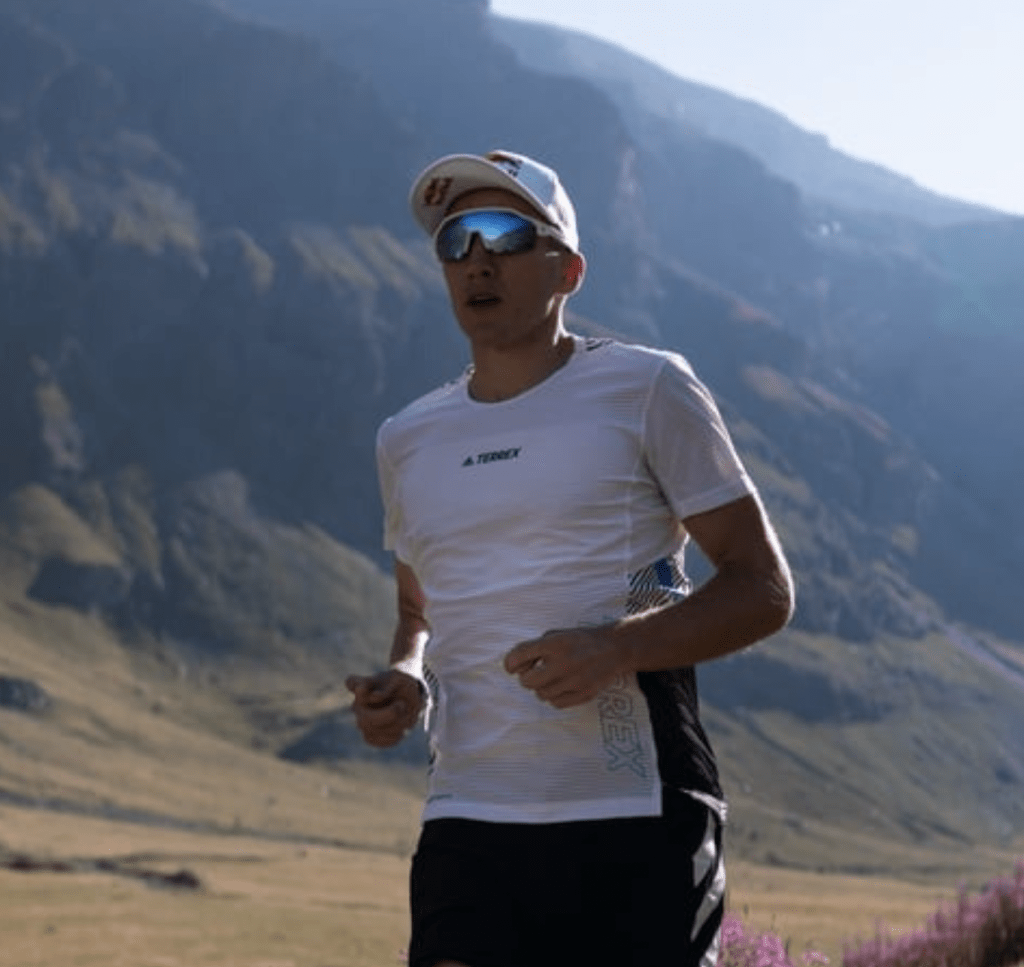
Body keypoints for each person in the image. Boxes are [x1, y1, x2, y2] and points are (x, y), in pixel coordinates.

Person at [345, 150, 794, 967]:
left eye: (507, 235)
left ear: (570, 269)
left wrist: (617, 649)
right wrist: (406, 675)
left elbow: (762, 588)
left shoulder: (649, 388)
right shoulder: (406, 439)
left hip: (635, 807)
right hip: (468, 814)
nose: (477, 259)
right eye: (455, 241)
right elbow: (419, 609)